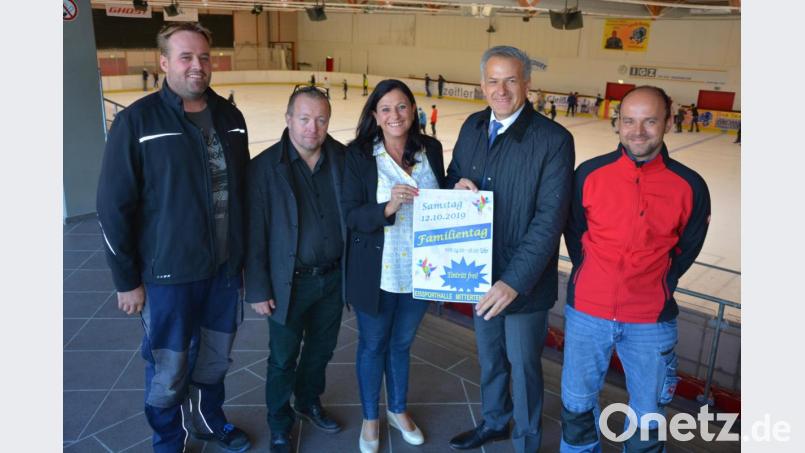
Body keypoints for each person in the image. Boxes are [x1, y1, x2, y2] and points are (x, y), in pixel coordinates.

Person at [97, 22, 251, 453]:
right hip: (168, 277)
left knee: (215, 359)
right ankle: (169, 439)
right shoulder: (137, 122)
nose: (197, 66)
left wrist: (243, 261)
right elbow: (113, 209)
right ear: (164, 62)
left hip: (223, 273)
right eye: (185, 57)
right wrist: (126, 279)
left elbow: (242, 195)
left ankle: (208, 419)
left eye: (203, 57)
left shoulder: (230, 118)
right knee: (169, 367)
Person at [561, 85, 711, 452]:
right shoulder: (589, 174)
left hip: (651, 320)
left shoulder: (689, 186)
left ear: (668, 122)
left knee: (648, 417)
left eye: (649, 121)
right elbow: (575, 232)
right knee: (577, 407)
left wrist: (656, 281)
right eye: (629, 121)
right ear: (618, 123)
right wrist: (595, 275)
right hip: (587, 313)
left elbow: (688, 246)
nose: (637, 131)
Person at [446, 45, 575, 453]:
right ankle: (495, 421)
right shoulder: (471, 126)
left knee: (524, 368)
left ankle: (525, 440)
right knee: (489, 359)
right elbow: (454, 175)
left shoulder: (553, 140)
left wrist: (513, 282)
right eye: (493, 80)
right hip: (479, 273)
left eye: (511, 80)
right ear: (482, 84)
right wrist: (455, 187)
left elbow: (549, 221)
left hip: (524, 285)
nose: (501, 89)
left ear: (527, 84)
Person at [342, 79, 447, 453]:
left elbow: (441, 198)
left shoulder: (430, 148)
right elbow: (351, 215)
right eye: (385, 108)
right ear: (374, 114)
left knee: (401, 344)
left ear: (413, 110)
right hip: (380, 273)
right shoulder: (358, 155)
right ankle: (371, 416)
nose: (394, 115)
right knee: (373, 345)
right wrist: (386, 208)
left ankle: (397, 410)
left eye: (402, 106)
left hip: (422, 270)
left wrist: (460, 190)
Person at [245, 86, 346, 453]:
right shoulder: (263, 168)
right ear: (288, 120)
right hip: (288, 283)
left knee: (321, 350)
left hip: (333, 280)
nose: (312, 128)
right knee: (283, 357)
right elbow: (253, 233)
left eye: (321, 119)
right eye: (303, 119)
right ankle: (278, 422)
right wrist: (257, 289)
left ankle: (307, 401)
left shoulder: (343, 159)